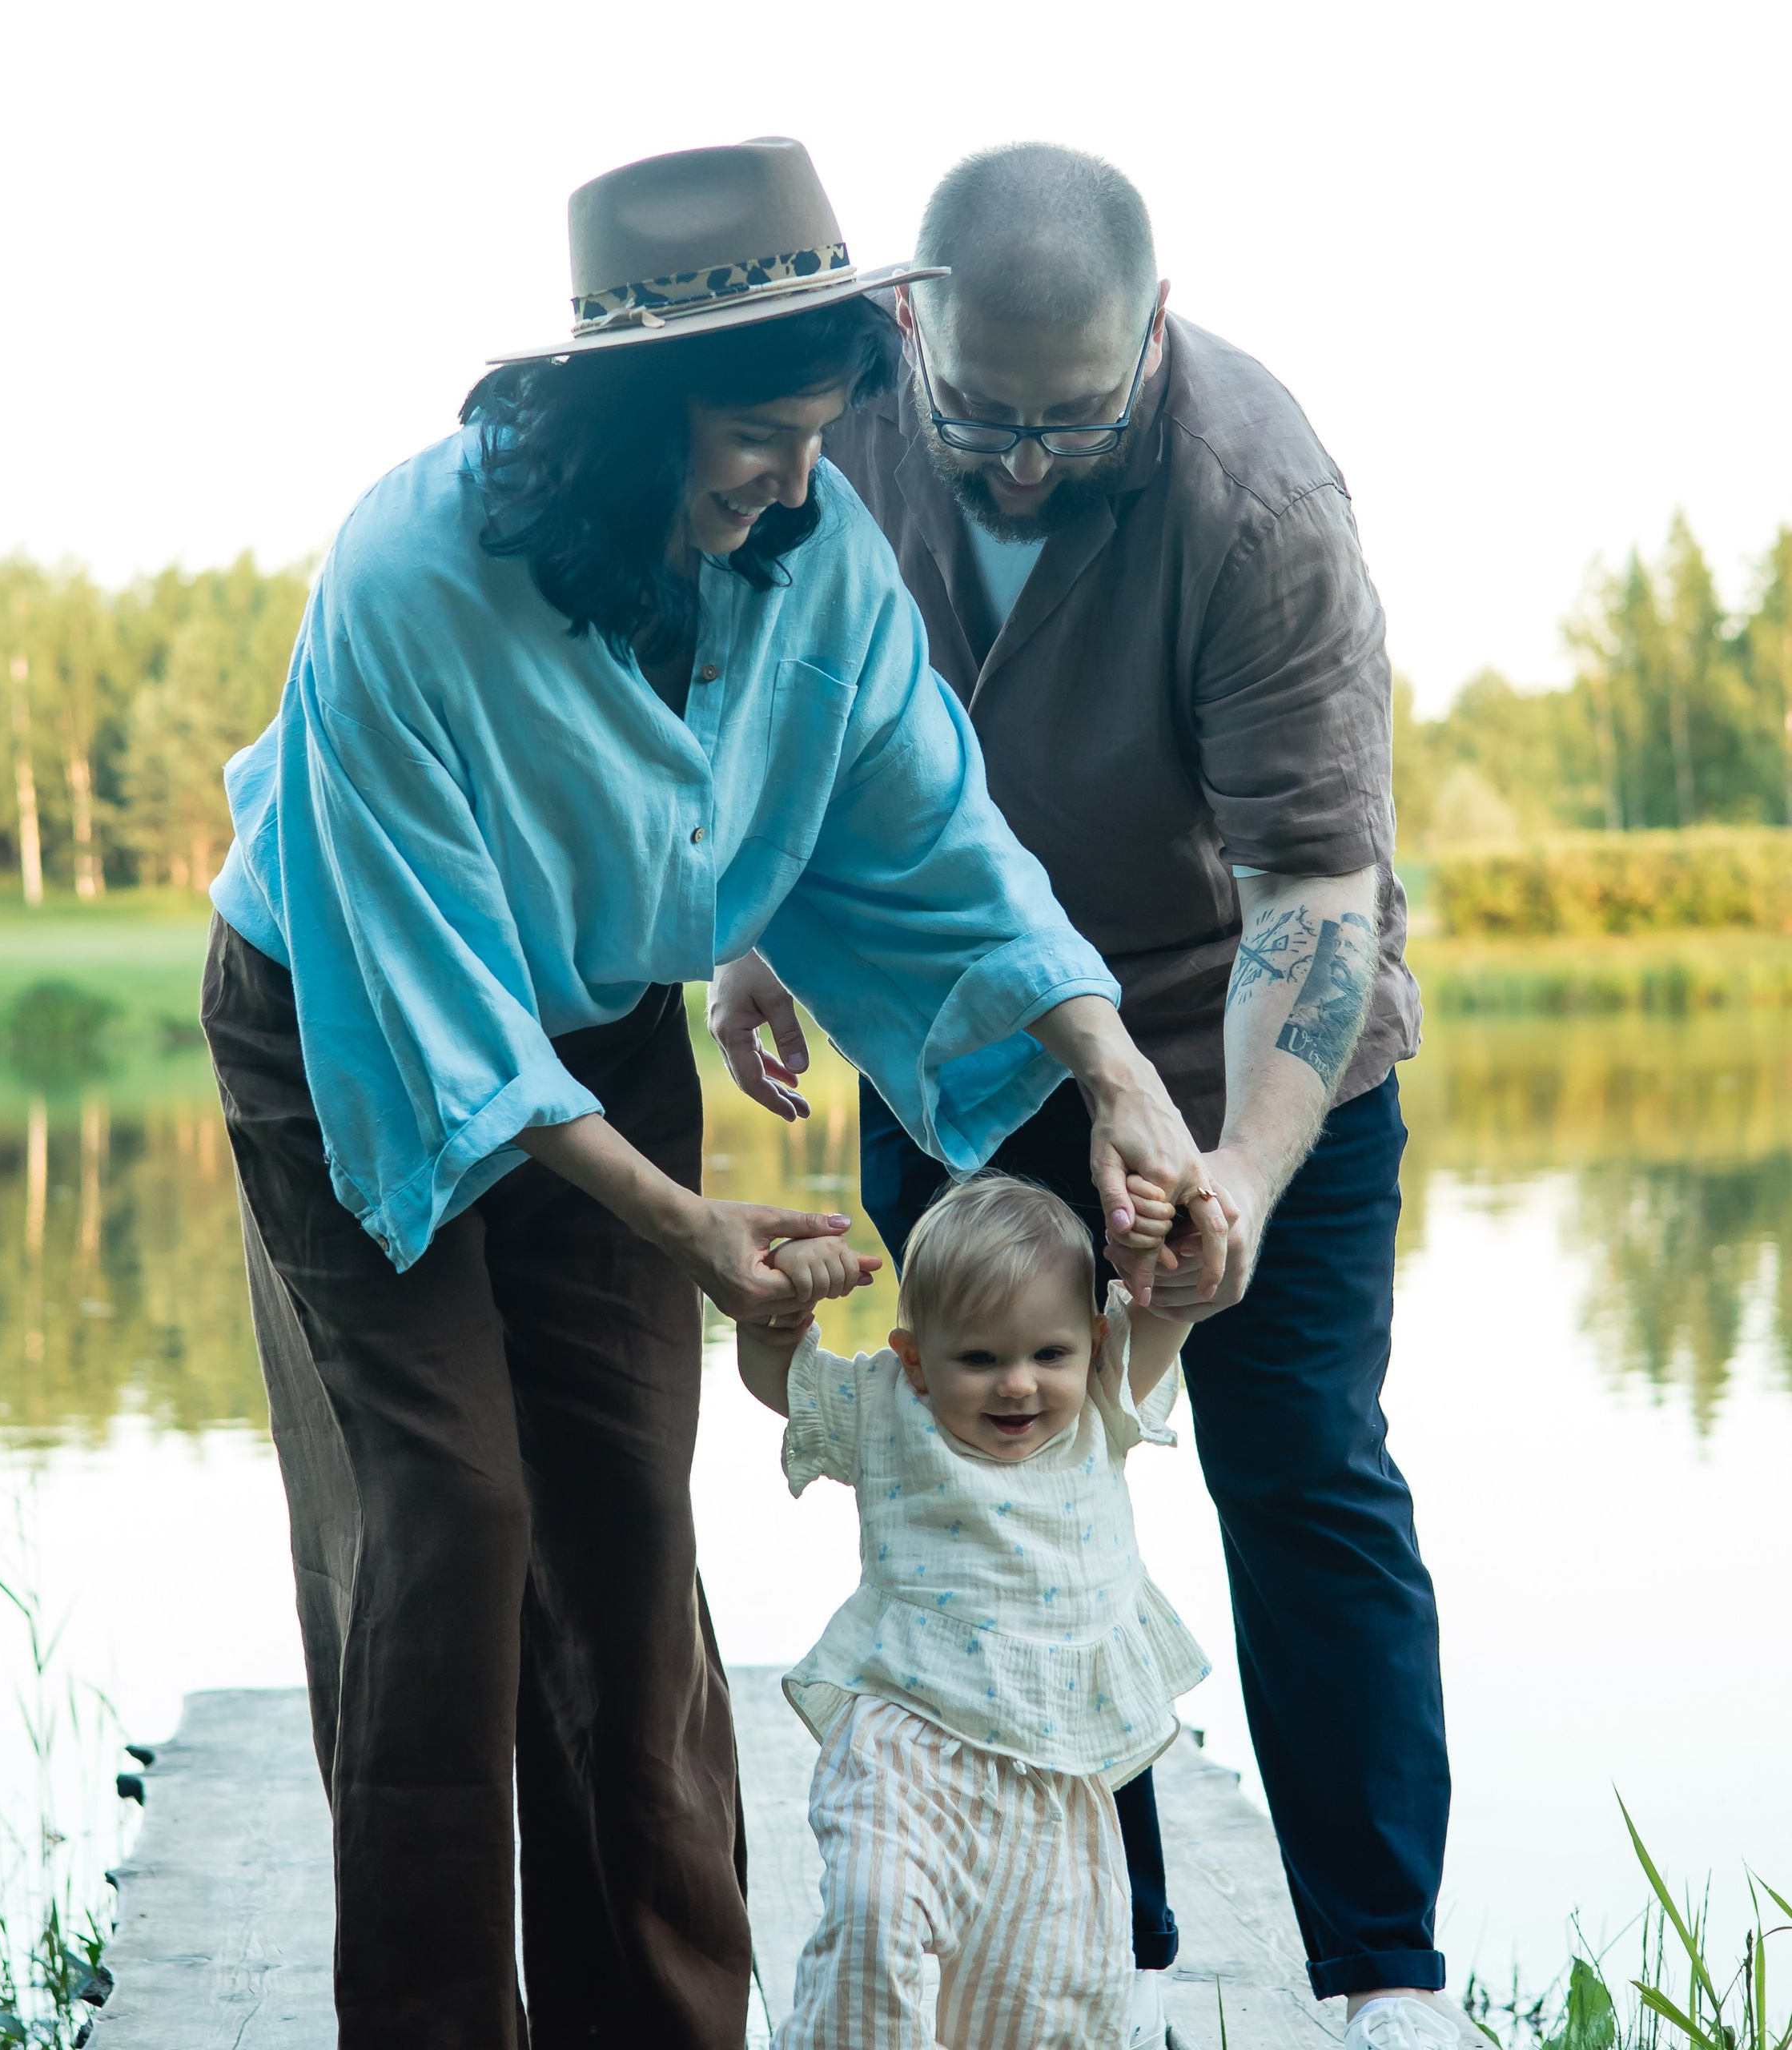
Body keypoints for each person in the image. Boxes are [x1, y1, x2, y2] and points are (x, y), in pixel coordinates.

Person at [200, 137, 1227, 2049]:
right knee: (450, 1513)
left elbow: (929, 832)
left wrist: (1111, 1076)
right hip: (344, 1014)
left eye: (819, 433)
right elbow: (417, 991)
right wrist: (681, 1223)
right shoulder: (411, 572)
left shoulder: (808, 552)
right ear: (623, 416)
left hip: (593, 1025)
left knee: (620, 1527)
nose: (798, 476)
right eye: (757, 435)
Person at [709, 142, 1456, 2050]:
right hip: (968, 1026)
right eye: (980, 415)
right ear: (910, 320)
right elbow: (792, 697)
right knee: (1003, 1455)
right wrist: (762, 927)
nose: (1020, 459)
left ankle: (1378, 1972)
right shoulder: (846, 418)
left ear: (1149, 328)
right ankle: (1086, 1938)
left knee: (1295, 1459)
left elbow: (1313, 883)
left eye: (1070, 417)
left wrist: (1241, 1173)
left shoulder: (1257, 494)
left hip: (1243, 1016)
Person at [732, 1175, 1207, 2050]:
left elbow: (1173, 1306)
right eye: (980, 1359)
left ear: (1094, 1343)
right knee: (875, 1913)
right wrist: (780, 1314)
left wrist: (1169, 1239)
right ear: (914, 1356)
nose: (1018, 1385)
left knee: (1034, 1986)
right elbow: (779, 1382)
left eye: (1048, 1355)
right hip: (903, 1738)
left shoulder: (1101, 1402)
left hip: (1052, 1754)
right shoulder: (887, 1405)